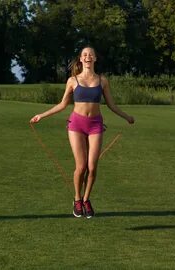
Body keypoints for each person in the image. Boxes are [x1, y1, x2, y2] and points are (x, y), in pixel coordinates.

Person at [30, 46, 134, 218]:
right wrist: (41, 115)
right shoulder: (72, 81)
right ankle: (77, 199)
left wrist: (127, 117)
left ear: (95, 59)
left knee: (92, 167)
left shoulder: (102, 80)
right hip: (76, 125)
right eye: (84, 55)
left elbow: (111, 105)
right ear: (80, 59)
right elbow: (62, 105)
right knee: (81, 166)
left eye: (90, 54)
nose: (88, 57)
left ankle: (86, 199)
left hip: (95, 125)